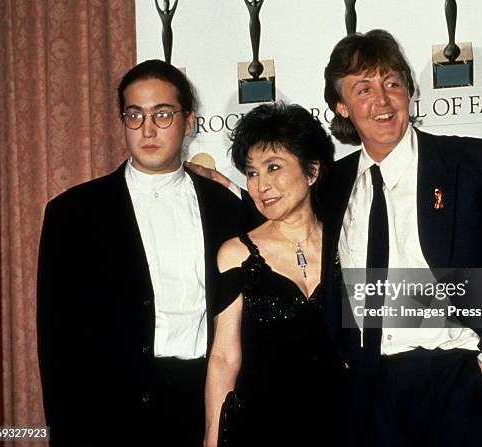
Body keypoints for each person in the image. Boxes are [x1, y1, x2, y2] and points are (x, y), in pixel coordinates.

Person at [320, 29, 482, 447]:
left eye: (392, 83)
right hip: (370, 393)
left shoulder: (477, 164)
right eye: (363, 88)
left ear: (410, 93)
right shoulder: (329, 188)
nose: (382, 101)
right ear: (341, 106)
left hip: (464, 378)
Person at [37, 59, 245, 445]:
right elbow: (57, 344)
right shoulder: (73, 213)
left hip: (202, 406)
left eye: (163, 115)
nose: (148, 129)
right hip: (109, 414)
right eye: (135, 116)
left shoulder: (229, 208)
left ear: (190, 122)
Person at [204, 102, 344, 447]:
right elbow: (224, 357)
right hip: (262, 426)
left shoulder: (351, 242)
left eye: (274, 167)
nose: (261, 185)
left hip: (346, 421)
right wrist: (211, 438)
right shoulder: (236, 253)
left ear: (312, 171)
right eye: (252, 173)